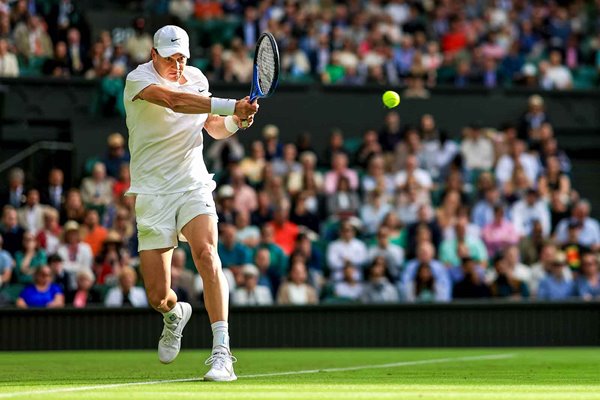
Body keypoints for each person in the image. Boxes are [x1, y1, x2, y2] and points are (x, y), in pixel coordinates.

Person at [123, 25, 257, 381]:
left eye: (182, 58)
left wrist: (236, 120)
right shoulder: (137, 80)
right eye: (170, 59)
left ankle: (222, 352)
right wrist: (232, 104)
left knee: (206, 252)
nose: (177, 66)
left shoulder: (196, 78)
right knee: (157, 296)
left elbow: (212, 126)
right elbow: (173, 101)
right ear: (154, 55)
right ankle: (174, 314)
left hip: (192, 184)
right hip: (152, 194)